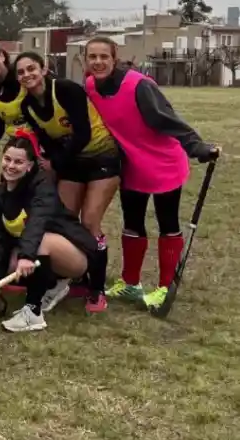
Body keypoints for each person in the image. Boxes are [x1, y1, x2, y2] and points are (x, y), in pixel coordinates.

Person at [83, 37, 219, 310]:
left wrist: (196, 146)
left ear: (114, 57)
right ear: (85, 60)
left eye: (103, 57)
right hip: (131, 163)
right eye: (92, 57)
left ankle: (164, 287)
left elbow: (166, 118)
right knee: (132, 223)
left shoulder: (138, 85)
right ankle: (131, 283)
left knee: (167, 222)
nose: (98, 62)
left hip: (162, 163)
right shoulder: (90, 87)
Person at [14, 51, 120, 312]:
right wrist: (52, 162)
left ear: (44, 68)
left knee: (90, 223)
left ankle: (97, 289)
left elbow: (82, 133)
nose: (27, 75)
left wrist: (56, 163)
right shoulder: (27, 106)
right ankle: (71, 278)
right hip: (72, 162)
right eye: (21, 72)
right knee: (62, 221)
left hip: (101, 157)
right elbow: (48, 139)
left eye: (31, 69)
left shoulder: (65, 89)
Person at [0, 131, 102, 333]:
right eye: (7, 159)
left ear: (30, 166)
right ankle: (54, 284)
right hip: (40, 251)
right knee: (12, 263)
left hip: (75, 254)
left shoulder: (42, 187)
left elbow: (37, 223)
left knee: (38, 243)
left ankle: (33, 313)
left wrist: (27, 255)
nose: (11, 166)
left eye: (19, 162)